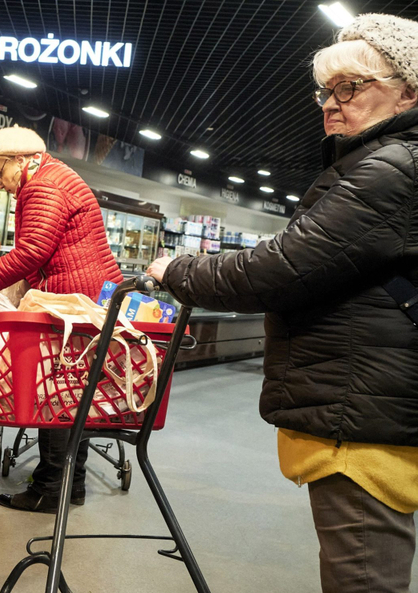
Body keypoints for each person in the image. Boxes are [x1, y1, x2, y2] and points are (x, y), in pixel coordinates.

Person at [147, 13, 418, 593]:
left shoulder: (390, 169)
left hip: (359, 415)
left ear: (409, 90)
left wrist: (177, 270)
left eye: (351, 86)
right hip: (366, 400)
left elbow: (278, 270)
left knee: (362, 574)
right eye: (326, 89)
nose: (331, 102)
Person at [0, 125, 123, 513]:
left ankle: (51, 488)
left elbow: (33, 250)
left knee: (56, 393)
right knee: (73, 394)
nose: (0, 184)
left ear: (18, 160)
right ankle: (69, 486)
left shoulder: (43, 186)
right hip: (83, 297)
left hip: (71, 300)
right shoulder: (54, 174)